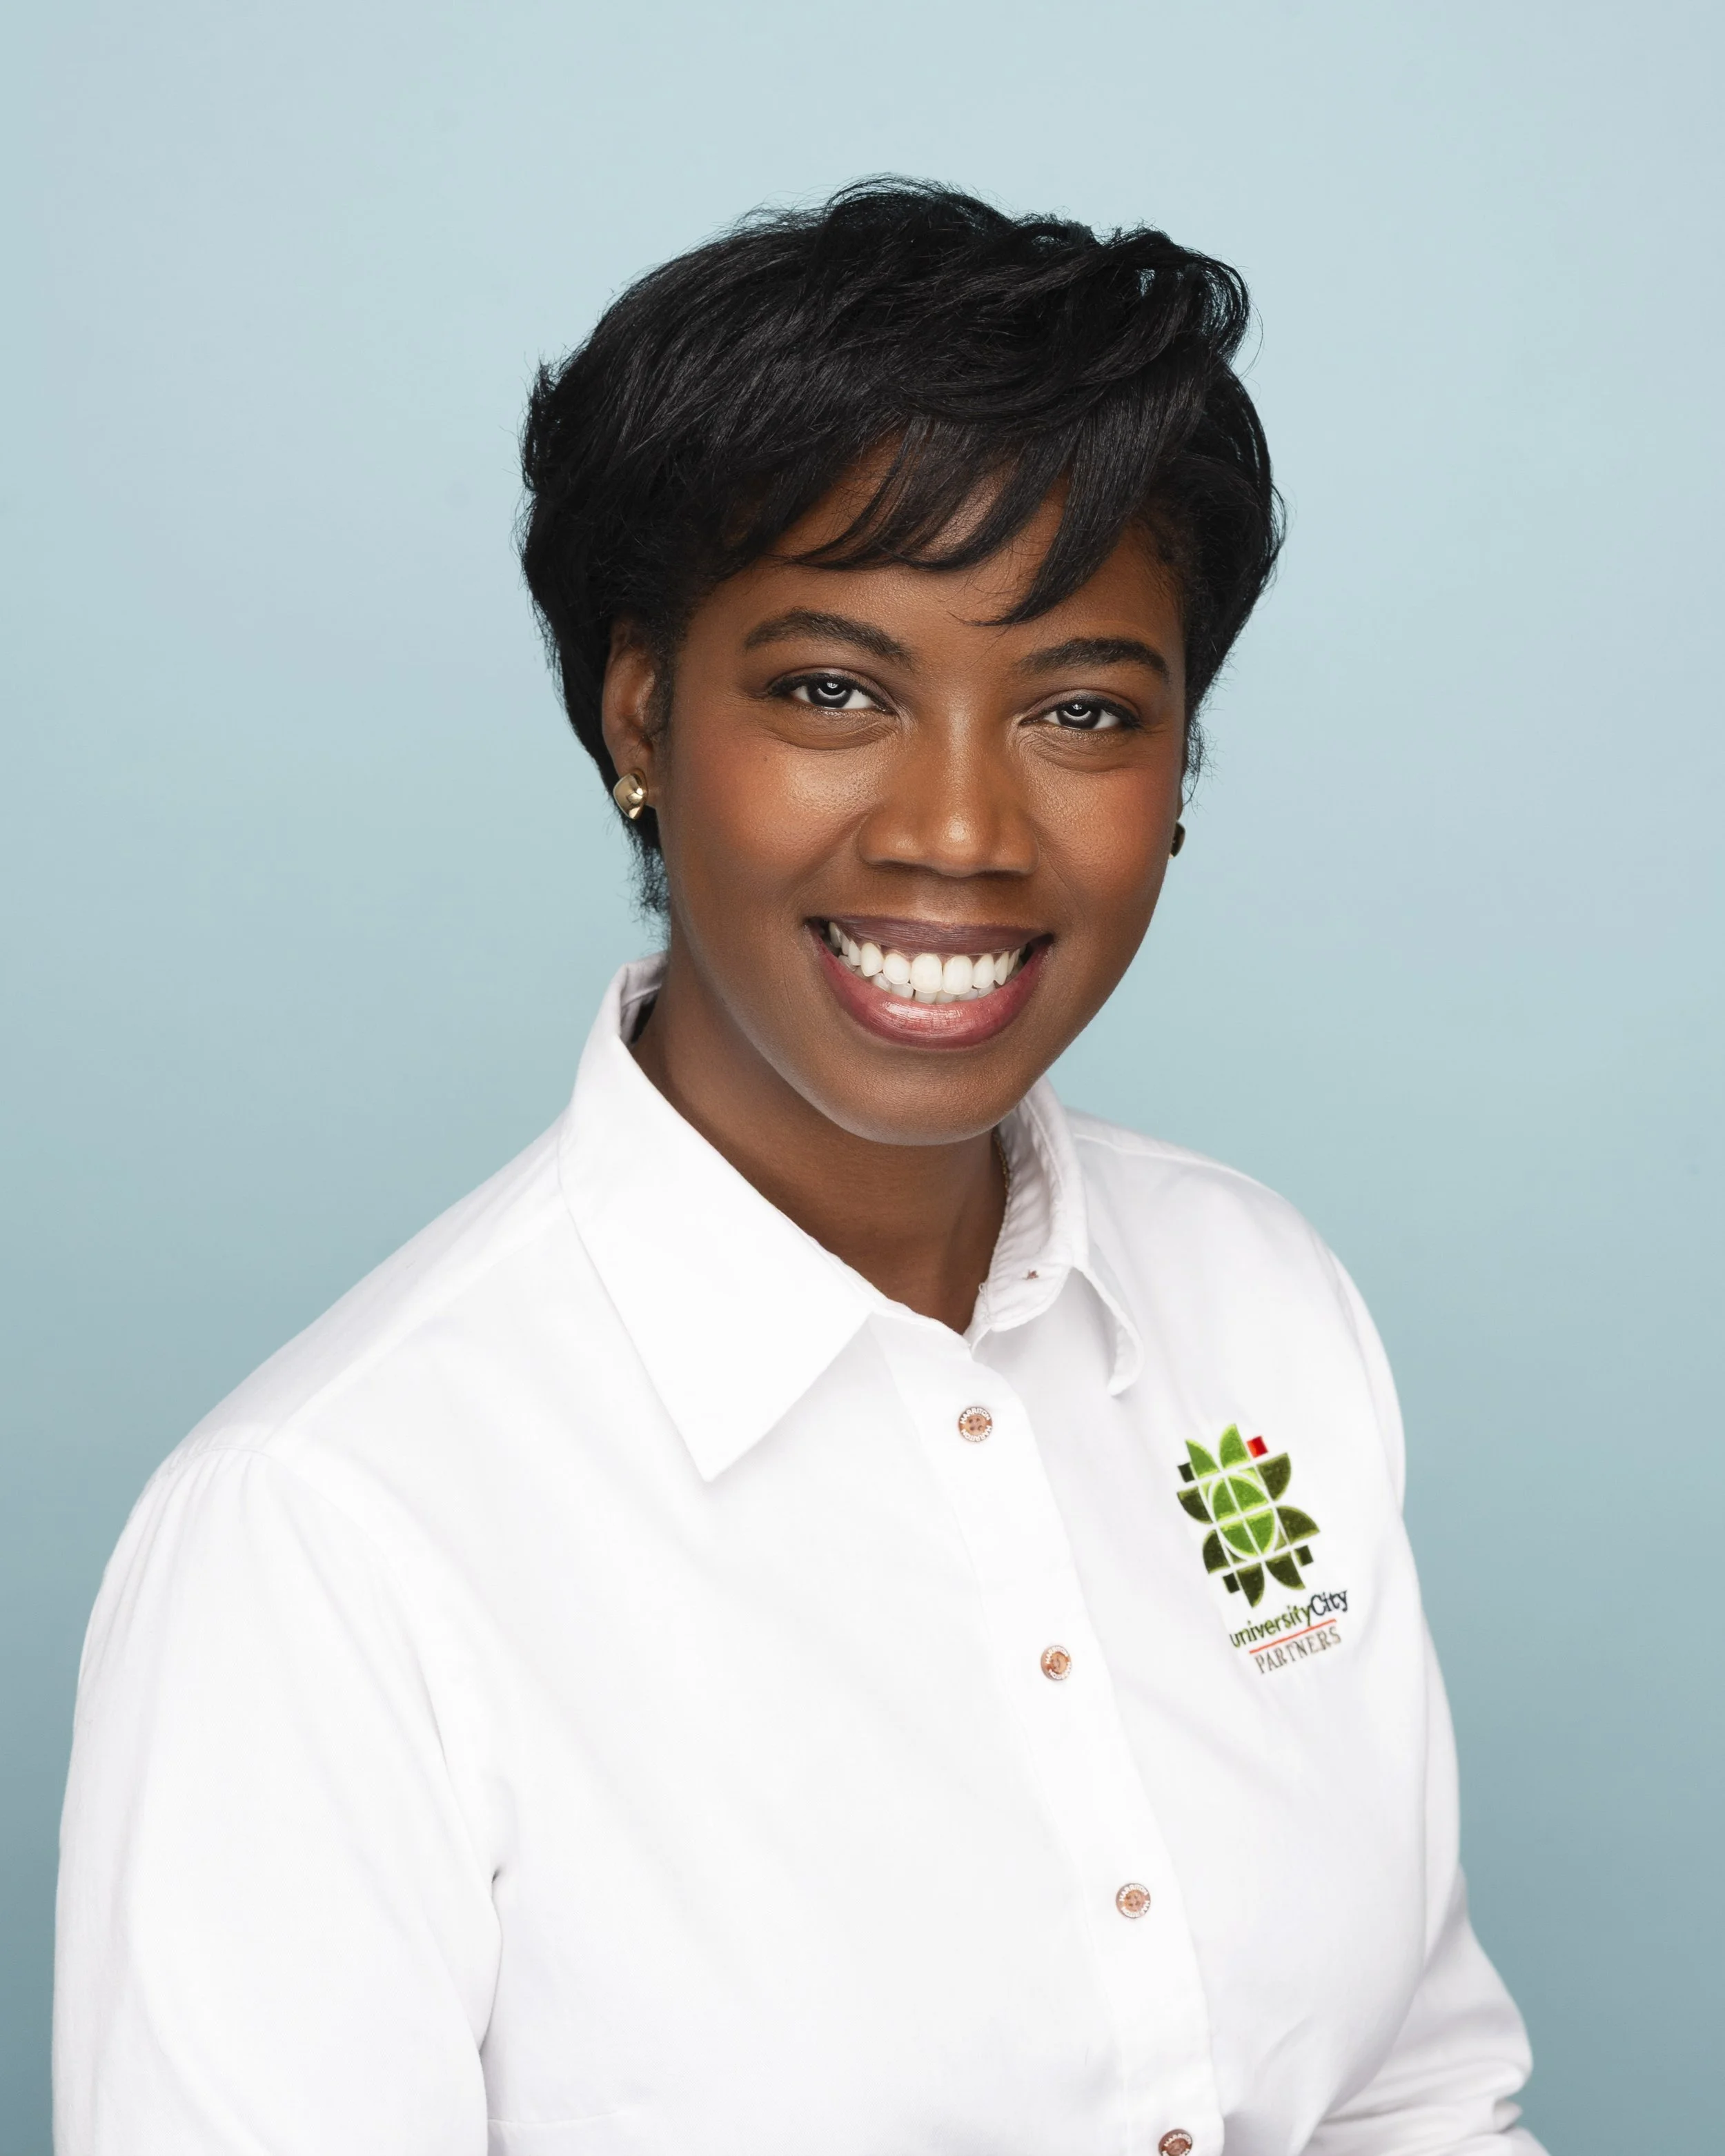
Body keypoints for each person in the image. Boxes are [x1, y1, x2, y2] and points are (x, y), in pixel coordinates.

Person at [54, 181, 1542, 2156]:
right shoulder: (331, 1532)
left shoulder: (1257, 1301)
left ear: (1178, 775)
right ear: (639, 714)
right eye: (831, 689)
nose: (957, 827)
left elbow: (1409, 2098)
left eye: (1082, 708)